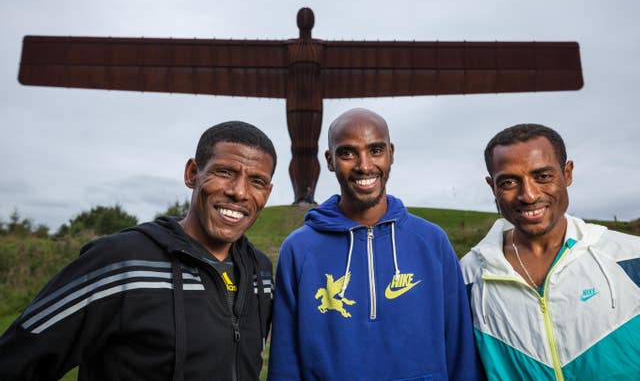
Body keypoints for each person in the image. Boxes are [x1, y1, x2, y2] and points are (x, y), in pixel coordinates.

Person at [0, 121, 277, 381]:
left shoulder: (260, 274)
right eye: (225, 172)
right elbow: (14, 361)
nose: (239, 192)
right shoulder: (120, 262)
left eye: (257, 181)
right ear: (192, 173)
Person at [267, 108, 482, 380]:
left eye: (375, 150)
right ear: (330, 160)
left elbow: (460, 350)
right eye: (347, 153)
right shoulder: (299, 249)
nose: (364, 165)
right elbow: (285, 360)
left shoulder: (432, 241)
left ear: (391, 153)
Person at [460, 123, 640, 380]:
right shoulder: (467, 275)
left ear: (567, 173)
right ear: (492, 187)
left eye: (543, 176)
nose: (529, 195)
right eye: (509, 182)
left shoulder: (630, 255)